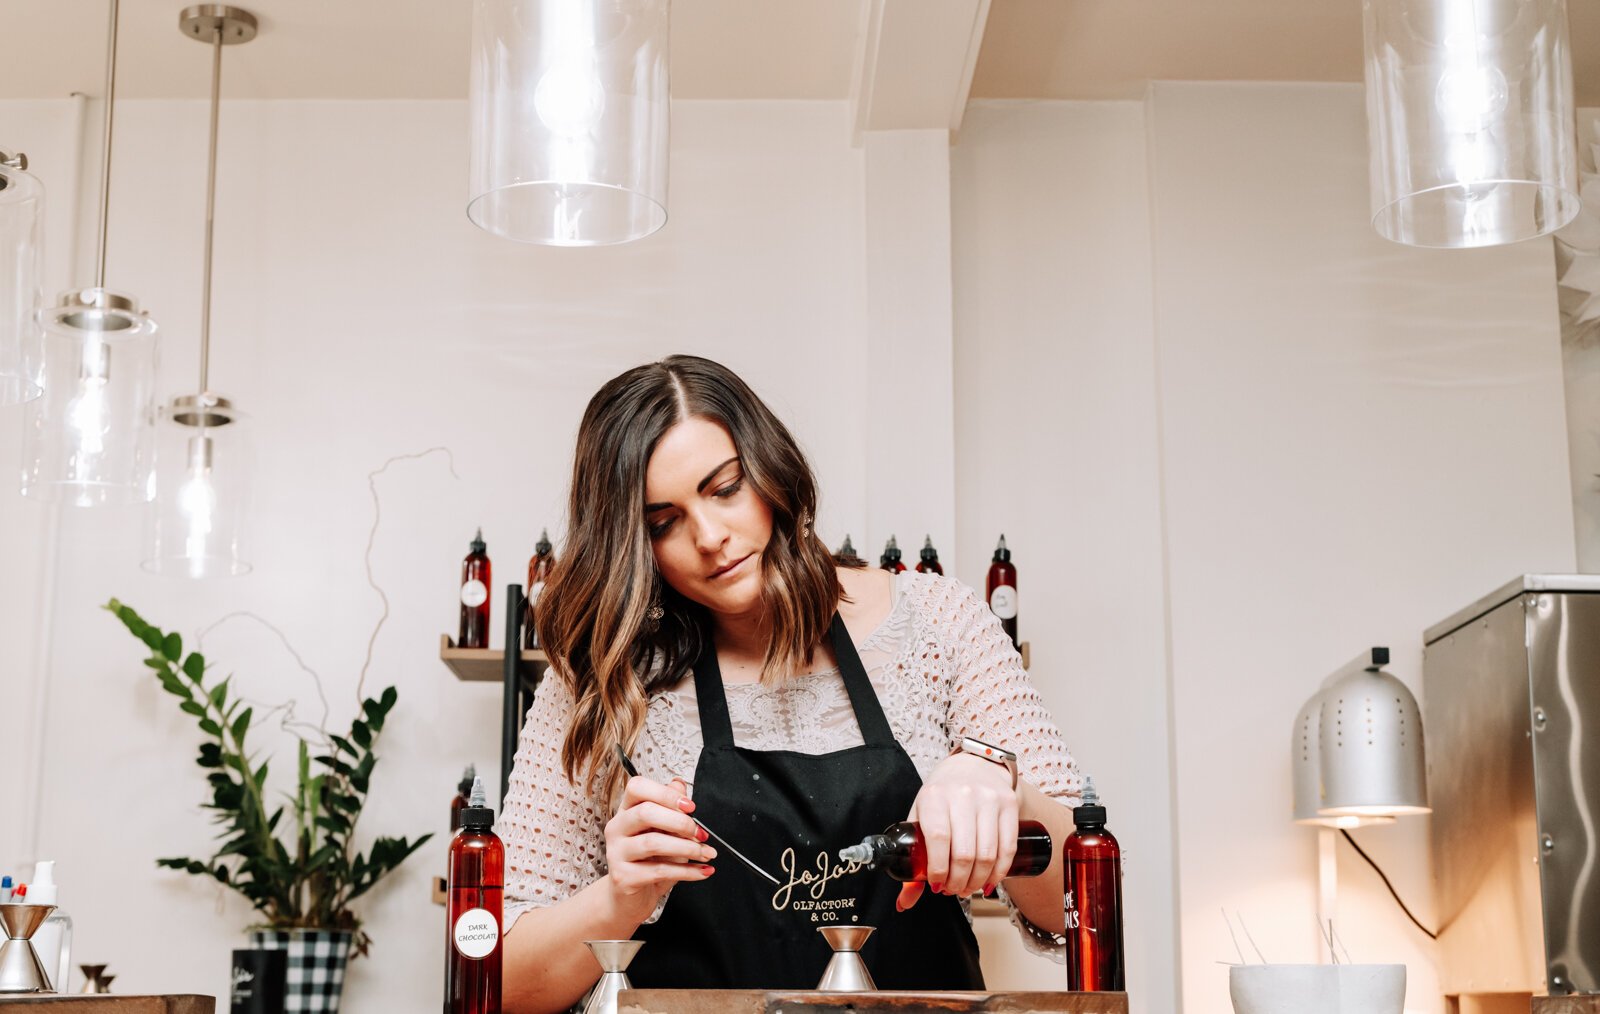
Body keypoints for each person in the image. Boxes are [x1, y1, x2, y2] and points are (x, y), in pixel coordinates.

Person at [498, 355, 1081, 1013]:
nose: (711, 537)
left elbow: (1081, 905)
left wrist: (998, 782)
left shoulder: (940, 622)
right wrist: (618, 899)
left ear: (770, 470)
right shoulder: (605, 680)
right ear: (634, 543)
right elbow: (503, 982)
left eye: (724, 489)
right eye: (664, 522)